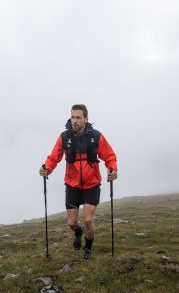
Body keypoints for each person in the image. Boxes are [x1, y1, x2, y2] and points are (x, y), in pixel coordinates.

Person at [39, 104, 118, 260]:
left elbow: (109, 156)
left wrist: (112, 169)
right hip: (72, 184)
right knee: (72, 223)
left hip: (92, 184)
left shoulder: (96, 136)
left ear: (86, 119)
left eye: (78, 118)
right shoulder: (64, 137)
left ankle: (87, 249)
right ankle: (78, 232)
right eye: (72, 117)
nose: (74, 121)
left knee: (88, 219)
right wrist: (46, 168)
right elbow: (54, 157)